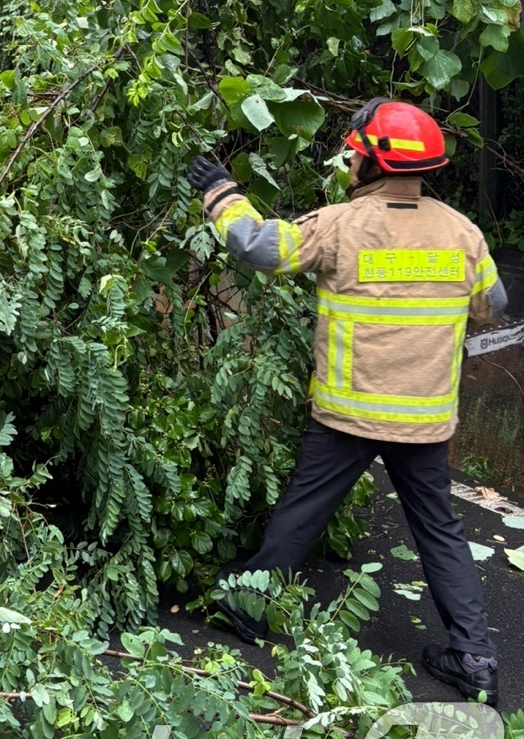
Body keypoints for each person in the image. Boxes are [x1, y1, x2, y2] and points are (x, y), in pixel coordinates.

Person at [189, 98, 508, 705]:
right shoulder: (464, 234)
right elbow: (493, 305)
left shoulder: (340, 225)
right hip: (424, 422)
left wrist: (220, 192)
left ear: (374, 163)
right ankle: (475, 658)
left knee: (303, 511)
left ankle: (247, 608)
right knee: (440, 531)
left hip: (349, 414)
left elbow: (259, 246)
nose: (349, 162)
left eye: (355, 153)